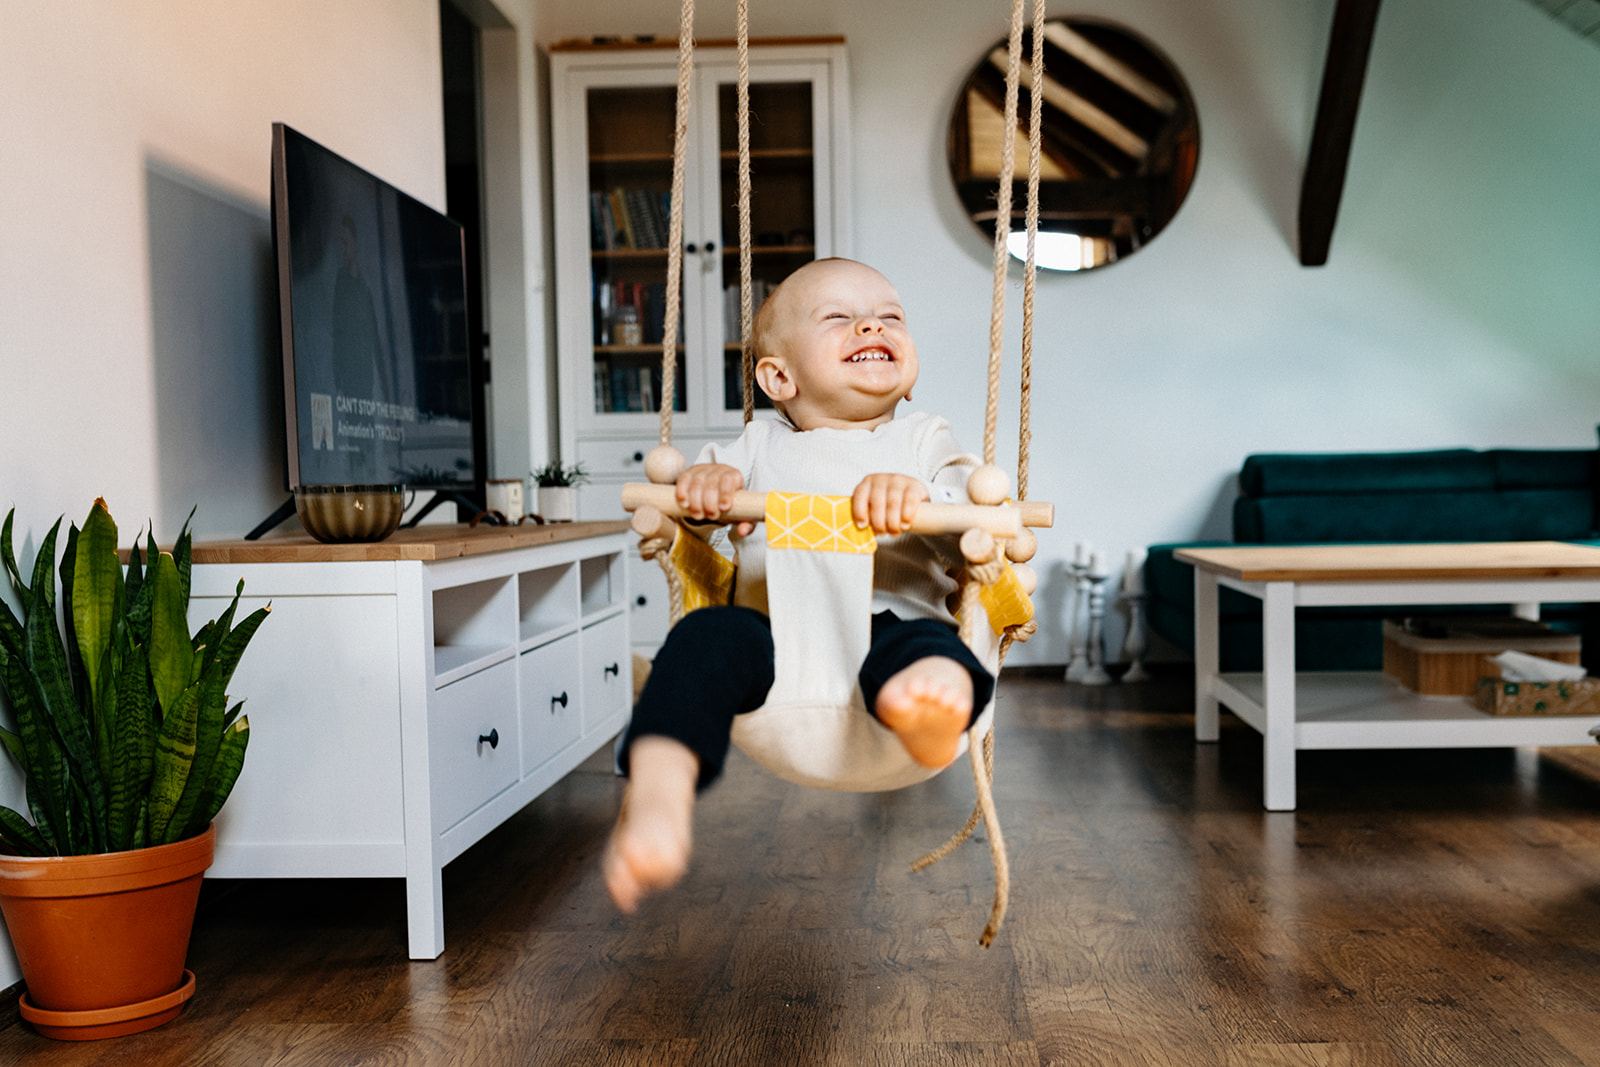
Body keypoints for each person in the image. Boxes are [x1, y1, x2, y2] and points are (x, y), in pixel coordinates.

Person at [604, 258, 995, 913]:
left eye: (890, 316)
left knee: (924, 643)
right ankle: (660, 790)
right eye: (839, 317)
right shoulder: (756, 443)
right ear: (778, 376)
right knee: (704, 637)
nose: (872, 322)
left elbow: (971, 516)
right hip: (773, 643)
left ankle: (932, 706)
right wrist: (707, 488)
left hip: (885, 629)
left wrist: (918, 492)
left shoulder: (922, 438)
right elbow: (698, 494)